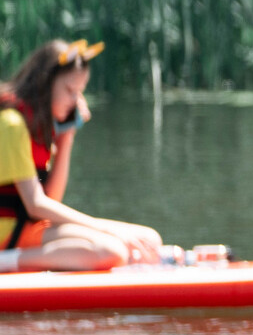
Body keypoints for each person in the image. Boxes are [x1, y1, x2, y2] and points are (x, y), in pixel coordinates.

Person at [0, 40, 162, 273]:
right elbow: (36, 205)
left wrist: (67, 137)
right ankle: (5, 262)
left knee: (150, 240)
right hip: (7, 232)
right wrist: (101, 229)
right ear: (45, 83)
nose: (76, 100)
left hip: (29, 225)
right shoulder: (12, 124)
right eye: (69, 90)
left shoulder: (38, 127)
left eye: (80, 91)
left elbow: (50, 200)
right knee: (111, 251)